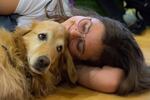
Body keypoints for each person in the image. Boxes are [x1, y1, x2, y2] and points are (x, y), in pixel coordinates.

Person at [0, 0, 150, 95]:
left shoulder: (59, 64)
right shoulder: (47, 4)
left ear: (77, 59)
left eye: (79, 45)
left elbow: (113, 80)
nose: (72, 32)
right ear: (89, 16)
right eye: (85, 25)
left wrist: (72, 68)